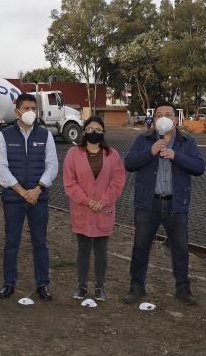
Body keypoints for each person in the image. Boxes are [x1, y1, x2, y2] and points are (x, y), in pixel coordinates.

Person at [123, 102, 205, 305]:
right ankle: (136, 286)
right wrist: (149, 152)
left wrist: (176, 156)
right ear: (154, 119)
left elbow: (199, 167)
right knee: (141, 246)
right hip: (148, 204)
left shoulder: (187, 141)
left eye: (168, 114)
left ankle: (183, 288)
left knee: (180, 248)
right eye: (159, 115)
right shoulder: (143, 139)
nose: (164, 118)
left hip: (176, 205)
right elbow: (129, 163)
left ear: (175, 119)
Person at [0, 93, 59, 301]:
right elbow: (1, 168)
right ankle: (8, 283)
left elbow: (52, 165)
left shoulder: (45, 135)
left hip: (38, 198)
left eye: (33, 108)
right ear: (17, 111)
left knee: (40, 242)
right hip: (14, 199)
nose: (30, 112)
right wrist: (22, 192)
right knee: (12, 242)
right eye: (26, 109)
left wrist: (37, 189)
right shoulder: (4, 136)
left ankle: (43, 284)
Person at [63, 116, 126, 301]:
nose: (94, 132)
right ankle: (82, 286)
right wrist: (87, 201)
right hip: (82, 209)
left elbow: (118, 181)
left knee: (101, 250)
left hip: (104, 210)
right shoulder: (73, 153)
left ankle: (100, 287)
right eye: (90, 129)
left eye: (98, 129)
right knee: (83, 249)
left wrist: (104, 200)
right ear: (84, 132)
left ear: (103, 133)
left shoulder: (112, 154)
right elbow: (70, 182)